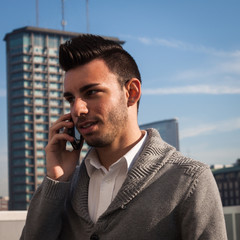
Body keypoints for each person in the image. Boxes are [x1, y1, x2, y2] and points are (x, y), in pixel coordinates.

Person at [20, 34, 227, 240]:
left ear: (132, 92)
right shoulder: (66, 185)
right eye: (70, 98)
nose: (77, 109)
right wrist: (56, 180)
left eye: (91, 92)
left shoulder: (189, 179)